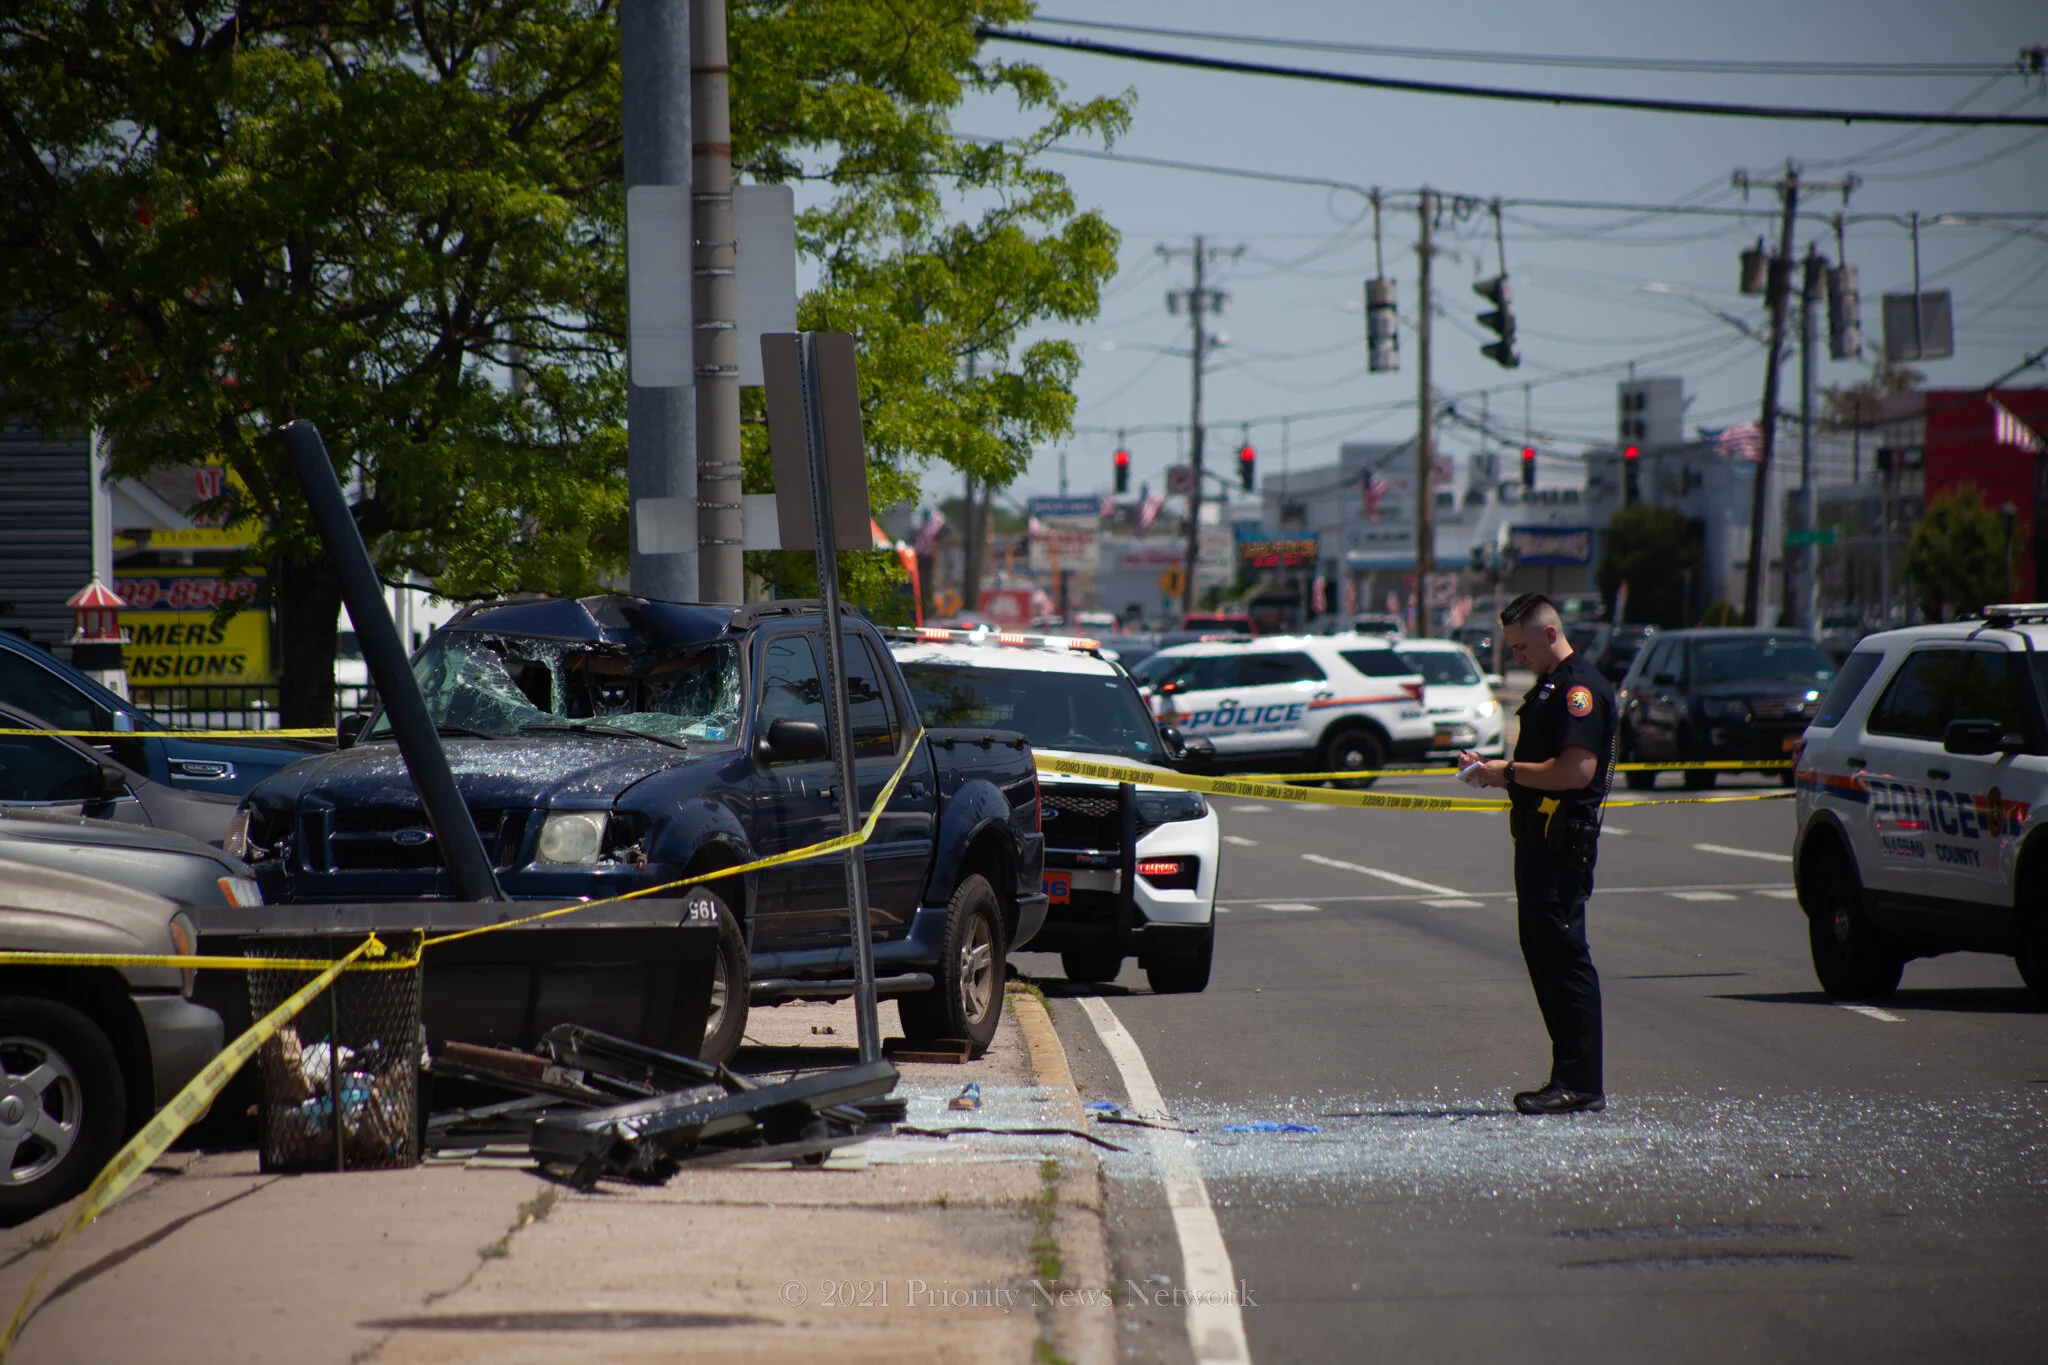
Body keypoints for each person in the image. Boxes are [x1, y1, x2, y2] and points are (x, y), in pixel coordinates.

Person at [1459, 593, 1616, 1115]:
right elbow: (1536, 767)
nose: (1516, 657)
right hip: (1538, 838)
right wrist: (1495, 771)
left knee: (1564, 958)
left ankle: (1579, 1082)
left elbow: (1576, 772)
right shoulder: (1551, 686)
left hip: (1560, 843)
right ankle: (1567, 1076)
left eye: (1521, 646)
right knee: (1544, 956)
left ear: (1550, 633)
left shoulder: (1578, 690)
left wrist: (1505, 771)